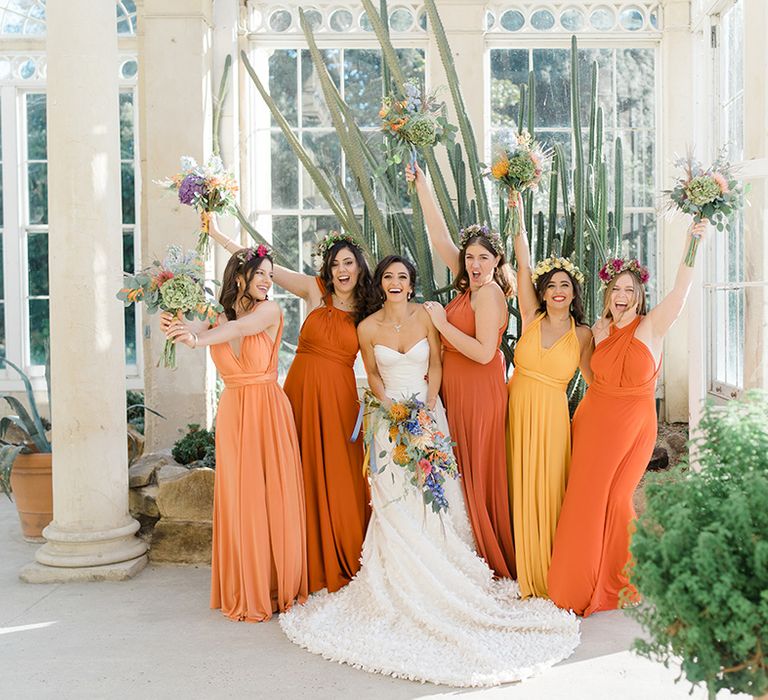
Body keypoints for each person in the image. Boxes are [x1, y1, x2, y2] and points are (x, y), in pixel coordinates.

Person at [279, 256, 580, 687]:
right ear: (379, 284)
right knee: (394, 501)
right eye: (389, 277)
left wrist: (426, 409)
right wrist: (392, 410)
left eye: (403, 276)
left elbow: (436, 363)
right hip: (387, 422)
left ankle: (445, 572)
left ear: (411, 283)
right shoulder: (366, 328)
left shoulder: (427, 317)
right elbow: (372, 374)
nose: (396, 282)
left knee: (437, 499)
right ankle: (397, 579)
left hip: (427, 414)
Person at [547, 221, 707, 616]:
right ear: (608, 292)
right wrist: (599, 341)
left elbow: (681, 293)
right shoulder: (600, 329)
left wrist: (692, 242)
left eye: (629, 290)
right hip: (592, 419)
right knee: (585, 497)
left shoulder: (652, 326)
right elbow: (593, 377)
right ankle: (575, 581)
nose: (621, 296)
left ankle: (624, 576)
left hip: (633, 424)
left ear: (639, 295)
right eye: (616, 289)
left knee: (617, 498)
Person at [206, 216, 373, 593]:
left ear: (359, 267)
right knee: (294, 475)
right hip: (298, 391)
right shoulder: (315, 291)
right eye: (335, 264)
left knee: (341, 477)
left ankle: (344, 554)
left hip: (339, 398)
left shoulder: (368, 310)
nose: (341, 270)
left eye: (348, 263)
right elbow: (261, 267)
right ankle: (295, 559)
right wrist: (218, 236)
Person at [164, 245, 307, 622]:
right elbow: (202, 326)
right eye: (260, 274)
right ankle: (248, 583)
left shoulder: (269, 311)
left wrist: (198, 340)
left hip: (268, 409)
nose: (266, 281)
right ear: (240, 277)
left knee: (272, 495)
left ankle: (277, 584)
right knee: (241, 498)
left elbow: (239, 329)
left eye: (270, 275)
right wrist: (178, 325)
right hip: (234, 412)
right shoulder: (217, 316)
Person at [407, 162, 516, 579]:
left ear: (495, 260)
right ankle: (465, 551)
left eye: (482, 257)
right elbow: (438, 236)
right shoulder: (469, 284)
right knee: (460, 471)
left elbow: (485, 352)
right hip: (456, 390)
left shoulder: (488, 294)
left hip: (479, 391)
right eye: (469, 257)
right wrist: (423, 183)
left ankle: (486, 556)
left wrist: (441, 324)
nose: (473, 263)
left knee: (475, 470)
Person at [507, 220, 594, 599]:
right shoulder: (529, 316)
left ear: (574, 293)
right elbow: (523, 263)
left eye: (565, 285)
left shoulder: (584, 335)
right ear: (542, 293)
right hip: (517, 410)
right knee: (519, 486)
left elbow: (596, 380)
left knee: (551, 491)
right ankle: (521, 567)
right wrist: (518, 210)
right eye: (552, 285)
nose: (558, 291)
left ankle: (552, 572)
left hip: (554, 418)